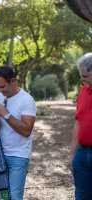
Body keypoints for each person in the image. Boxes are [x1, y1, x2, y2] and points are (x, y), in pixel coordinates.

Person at [0, 65, 37, 200]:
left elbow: (26, 130)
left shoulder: (27, 100)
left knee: (15, 196)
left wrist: (6, 115)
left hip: (18, 155)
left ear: (13, 81)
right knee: (0, 196)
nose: (0, 90)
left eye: (3, 86)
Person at [68, 53, 92, 200]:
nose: (82, 80)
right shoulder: (83, 91)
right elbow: (78, 123)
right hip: (82, 155)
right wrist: (72, 155)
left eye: (85, 76)